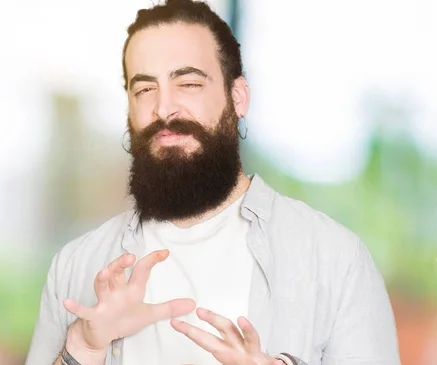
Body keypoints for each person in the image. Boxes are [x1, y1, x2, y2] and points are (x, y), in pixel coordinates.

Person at [25, 1, 401, 364]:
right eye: (144, 89)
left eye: (188, 83)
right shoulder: (75, 265)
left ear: (237, 98)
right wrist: (85, 347)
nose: (164, 107)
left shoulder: (335, 259)